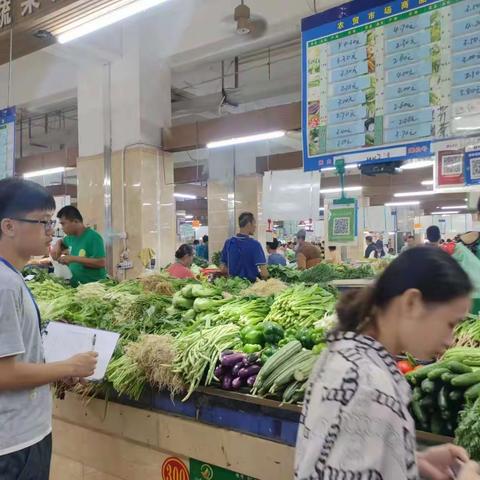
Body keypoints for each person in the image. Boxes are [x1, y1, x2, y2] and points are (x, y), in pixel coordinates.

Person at [295, 247, 480, 480]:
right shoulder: (369, 385)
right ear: (412, 303)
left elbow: (344, 459)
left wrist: (409, 460)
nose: (450, 341)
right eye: (449, 323)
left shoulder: (345, 353)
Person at [0, 178, 97, 479]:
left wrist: (56, 369)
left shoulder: (11, 276)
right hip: (14, 444)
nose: (50, 233)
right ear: (8, 226)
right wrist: (68, 366)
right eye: (42, 222)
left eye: (51, 223)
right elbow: (4, 374)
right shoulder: (3, 284)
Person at [51, 206, 107, 287]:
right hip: (76, 287)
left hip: (93, 288)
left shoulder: (93, 237)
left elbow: (101, 263)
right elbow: (62, 241)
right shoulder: (70, 237)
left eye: (63, 224)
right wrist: (57, 244)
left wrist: (72, 258)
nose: (62, 228)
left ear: (75, 221)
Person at [221, 212, 268, 282]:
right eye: (254, 223)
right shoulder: (255, 245)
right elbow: (264, 273)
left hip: (233, 286)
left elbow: (224, 269)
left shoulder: (228, 243)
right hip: (251, 287)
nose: (255, 226)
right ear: (249, 224)